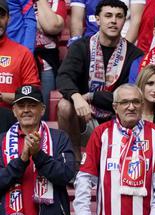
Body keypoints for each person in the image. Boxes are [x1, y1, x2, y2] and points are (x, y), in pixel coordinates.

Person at [73, 84, 155, 215]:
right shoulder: (101, 133)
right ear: (115, 107)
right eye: (125, 102)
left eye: (136, 102)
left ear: (142, 105)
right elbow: (85, 178)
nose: (131, 107)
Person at [57, 0, 143, 157]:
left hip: (118, 118)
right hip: (85, 117)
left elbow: (129, 96)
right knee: (64, 105)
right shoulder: (81, 46)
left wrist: (92, 96)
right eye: (108, 16)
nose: (113, 21)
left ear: (124, 20)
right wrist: (77, 97)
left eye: (119, 16)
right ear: (97, 19)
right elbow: (64, 76)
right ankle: (73, 161)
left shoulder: (135, 54)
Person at [0, 85, 76, 215]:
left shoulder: (59, 138)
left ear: (42, 110)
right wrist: (22, 161)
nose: (26, 110)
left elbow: (67, 175)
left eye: (32, 105)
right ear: (14, 111)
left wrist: (38, 155)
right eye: (21, 106)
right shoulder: (1, 141)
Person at [0, 0, 40, 112]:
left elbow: (33, 96)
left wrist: (2, 96)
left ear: (9, 18)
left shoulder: (23, 53)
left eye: (1, 15)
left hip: (11, 118)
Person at [34, 0, 67, 120]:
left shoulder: (57, 1)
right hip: (19, 61)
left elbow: (52, 26)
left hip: (45, 64)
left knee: (42, 112)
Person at [69, 0, 144, 46]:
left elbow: (136, 20)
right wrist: (77, 47)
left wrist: (124, 49)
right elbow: (76, 20)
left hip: (124, 40)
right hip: (90, 43)